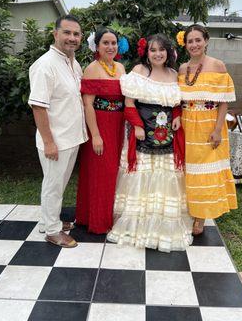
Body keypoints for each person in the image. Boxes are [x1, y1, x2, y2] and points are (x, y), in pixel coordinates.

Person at [108, 34, 193, 252]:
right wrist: (136, 126)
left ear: (168, 52)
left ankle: (162, 230)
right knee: (141, 178)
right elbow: (129, 103)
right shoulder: (139, 72)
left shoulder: (174, 74)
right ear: (147, 53)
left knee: (165, 178)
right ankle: (138, 228)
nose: (157, 54)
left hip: (167, 137)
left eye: (161, 50)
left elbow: (175, 102)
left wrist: (176, 116)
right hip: (142, 134)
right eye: (153, 50)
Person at [28, 14, 88, 248]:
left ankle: (49, 219)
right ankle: (52, 231)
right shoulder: (45, 65)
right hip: (56, 140)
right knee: (53, 185)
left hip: (71, 137)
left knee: (58, 184)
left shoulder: (73, 63)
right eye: (67, 32)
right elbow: (38, 106)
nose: (72, 38)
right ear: (55, 34)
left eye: (76, 34)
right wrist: (49, 142)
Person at [178, 24, 237, 235]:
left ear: (206, 41)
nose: (194, 44)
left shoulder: (217, 66)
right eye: (190, 41)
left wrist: (218, 129)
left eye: (197, 40)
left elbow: (224, 102)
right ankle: (188, 210)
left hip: (209, 126)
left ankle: (200, 217)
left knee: (204, 172)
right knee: (187, 172)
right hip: (186, 126)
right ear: (185, 44)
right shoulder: (182, 69)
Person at [75, 28, 125, 233]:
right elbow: (88, 105)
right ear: (97, 46)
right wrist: (95, 135)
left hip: (118, 126)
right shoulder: (92, 69)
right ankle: (97, 221)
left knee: (114, 173)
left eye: (113, 43)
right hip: (100, 126)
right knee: (100, 174)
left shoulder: (121, 68)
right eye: (106, 43)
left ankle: (109, 216)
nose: (110, 47)